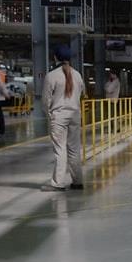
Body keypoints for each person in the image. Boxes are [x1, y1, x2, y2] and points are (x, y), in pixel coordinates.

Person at [42, 45, 84, 192]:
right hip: (75, 115)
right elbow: (81, 93)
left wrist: (49, 114)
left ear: (55, 58)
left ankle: (58, 183)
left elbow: (46, 100)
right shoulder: (77, 75)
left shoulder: (52, 76)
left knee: (60, 149)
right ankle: (78, 182)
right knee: (74, 149)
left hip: (59, 116)